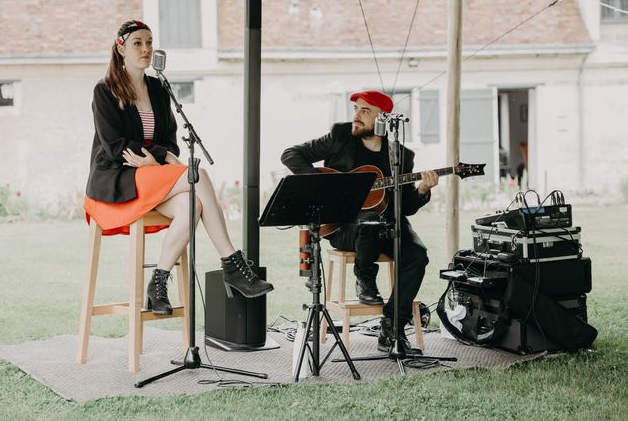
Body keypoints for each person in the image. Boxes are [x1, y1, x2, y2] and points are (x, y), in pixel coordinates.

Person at [84, 20, 273, 315]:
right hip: (117, 176)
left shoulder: (159, 89)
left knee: (192, 205)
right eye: (137, 43)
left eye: (149, 42)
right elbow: (115, 145)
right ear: (121, 47)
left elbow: (171, 141)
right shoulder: (105, 91)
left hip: (150, 172)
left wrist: (157, 159)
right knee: (200, 176)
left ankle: (158, 283)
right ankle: (232, 264)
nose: (146, 49)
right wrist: (156, 159)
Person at [281, 91, 438, 352]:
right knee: (369, 221)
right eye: (355, 109)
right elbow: (291, 154)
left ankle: (392, 327)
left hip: (388, 226)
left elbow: (407, 206)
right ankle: (364, 278)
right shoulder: (340, 136)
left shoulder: (401, 154)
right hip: (343, 226)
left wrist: (423, 189)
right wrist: (324, 185)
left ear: (383, 119)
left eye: (365, 110)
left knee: (417, 255)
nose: (356, 115)